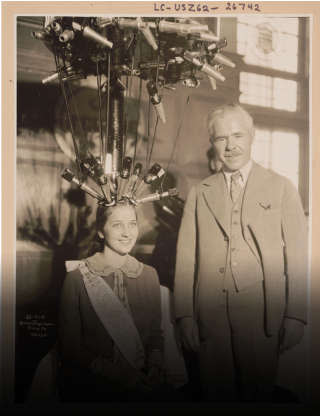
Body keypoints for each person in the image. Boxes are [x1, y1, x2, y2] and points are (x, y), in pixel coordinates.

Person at [174, 103, 308, 402]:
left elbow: (297, 257)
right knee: (213, 393)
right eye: (221, 138)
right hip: (208, 314)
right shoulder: (200, 192)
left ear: (251, 137)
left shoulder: (282, 187)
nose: (230, 145)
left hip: (261, 314)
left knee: (258, 395)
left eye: (238, 135)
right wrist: (184, 315)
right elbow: (186, 260)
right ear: (213, 144)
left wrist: (296, 316)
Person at [58, 201, 165, 402]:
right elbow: (70, 347)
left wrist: (156, 364)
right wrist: (121, 376)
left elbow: (155, 335)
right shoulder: (77, 278)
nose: (127, 233)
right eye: (117, 225)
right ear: (100, 231)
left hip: (142, 384)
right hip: (93, 387)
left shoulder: (149, 275)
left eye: (132, 224)